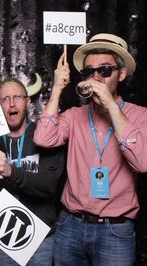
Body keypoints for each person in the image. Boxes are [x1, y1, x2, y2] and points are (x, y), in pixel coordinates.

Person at [33, 33, 147, 265]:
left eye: (104, 70)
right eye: (89, 71)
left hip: (115, 232)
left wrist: (111, 107)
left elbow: (142, 162)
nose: (95, 77)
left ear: (122, 73)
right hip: (70, 225)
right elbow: (43, 139)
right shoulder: (75, 116)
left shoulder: (140, 116)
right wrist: (56, 89)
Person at [0, 77, 65, 265]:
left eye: (17, 97)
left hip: (40, 240)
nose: (12, 103)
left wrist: (10, 171)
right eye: (5, 99)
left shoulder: (46, 137)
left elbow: (48, 185)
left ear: (27, 102)